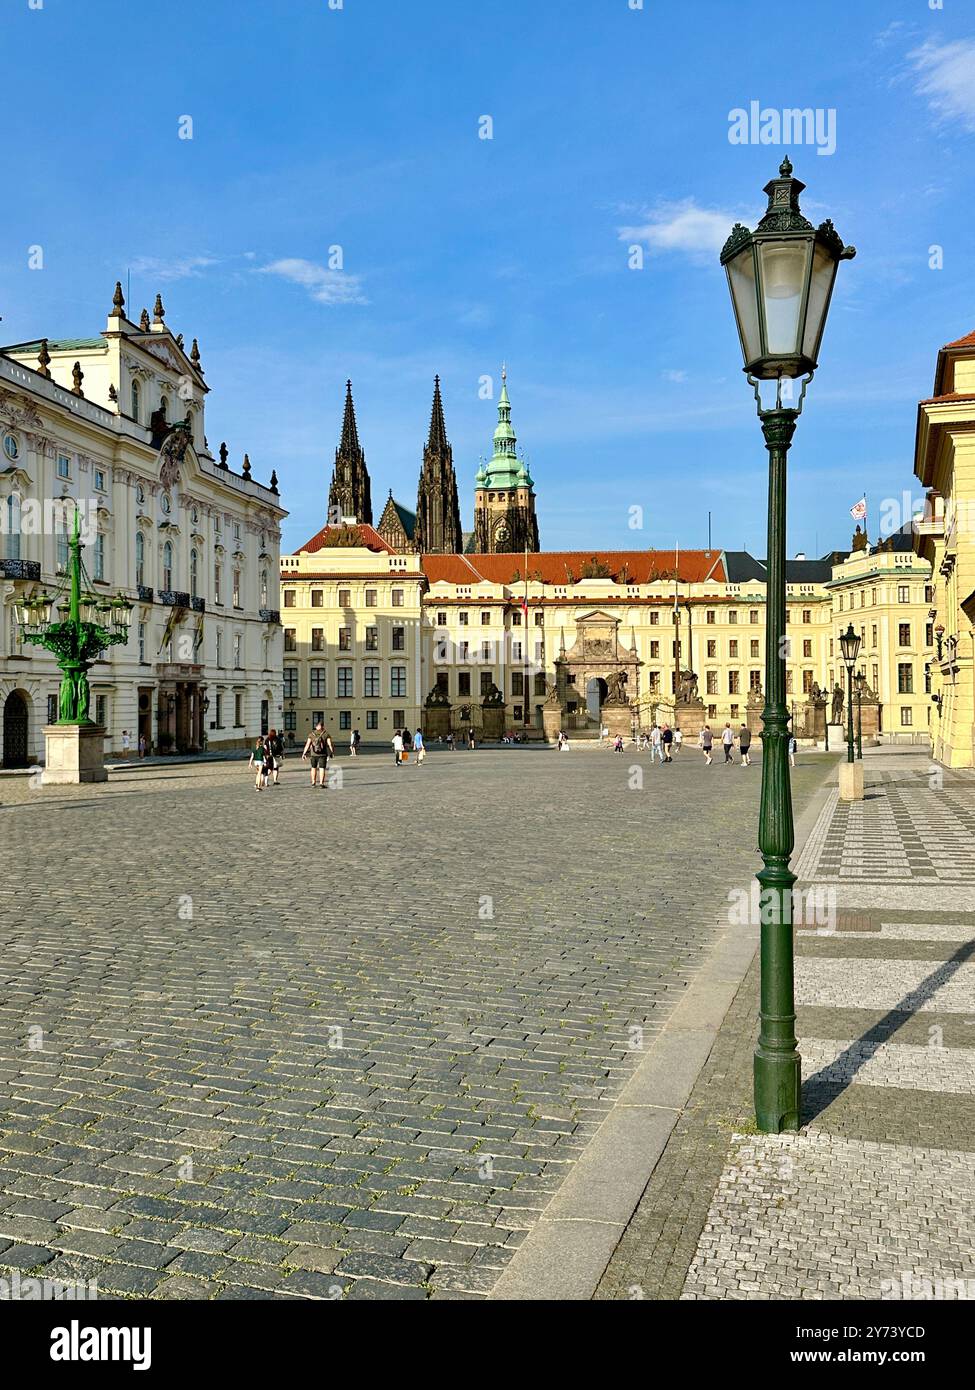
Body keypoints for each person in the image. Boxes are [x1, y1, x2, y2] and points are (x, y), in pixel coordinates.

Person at [301, 722, 333, 787]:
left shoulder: (311, 734)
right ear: (323, 726)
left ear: (316, 727)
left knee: (313, 768)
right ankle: (321, 783)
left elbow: (307, 744)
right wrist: (331, 752)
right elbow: (330, 744)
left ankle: (313, 783)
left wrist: (304, 753)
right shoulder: (326, 734)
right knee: (322, 768)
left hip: (313, 754)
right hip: (323, 754)